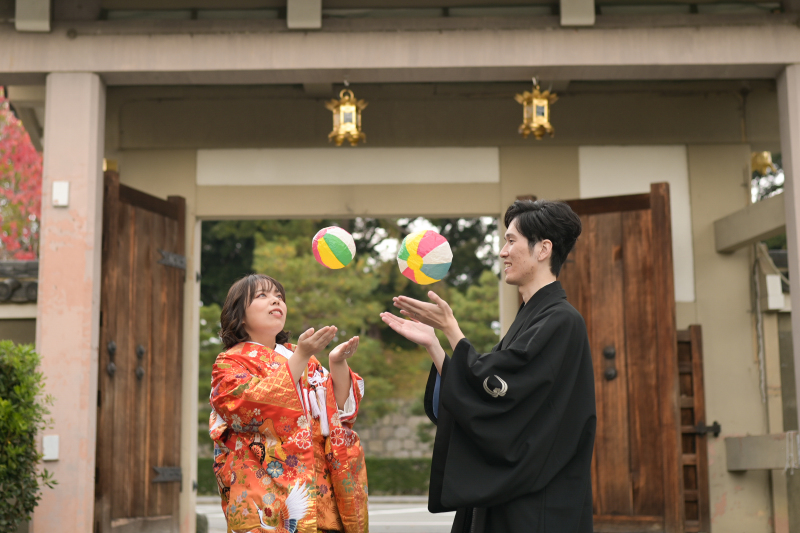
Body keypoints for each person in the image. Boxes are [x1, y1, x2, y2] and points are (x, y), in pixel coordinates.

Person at [381, 199, 596, 533]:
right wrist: (434, 345)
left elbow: (504, 390)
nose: (502, 252)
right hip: (515, 496)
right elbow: (487, 391)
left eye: (511, 241)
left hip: (539, 504)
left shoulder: (562, 320)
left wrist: (452, 330)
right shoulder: (533, 316)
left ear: (543, 249)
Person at [209, 273, 368, 533]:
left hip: (319, 484)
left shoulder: (298, 355)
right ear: (239, 314)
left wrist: (337, 364)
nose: (276, 301)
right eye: (263, 295)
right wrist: (303, 355)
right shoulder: (230, 361)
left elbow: (336, 410)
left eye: (279, 297)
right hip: (262, 481)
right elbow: (246, 407)